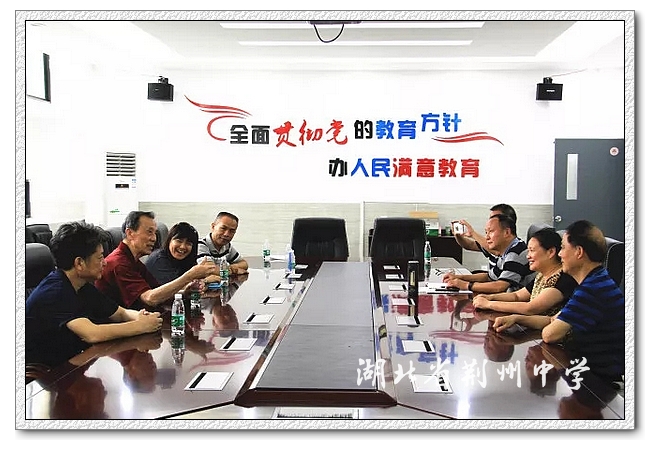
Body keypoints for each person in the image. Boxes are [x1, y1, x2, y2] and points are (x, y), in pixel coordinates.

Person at [493, 220, 624, 385]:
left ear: (578, 252)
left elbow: (550, 334)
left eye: (563, 248)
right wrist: (517, 318)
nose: (560, 254)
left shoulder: (591, 289)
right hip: (585, 369)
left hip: (596, 380)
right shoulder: (596, 280)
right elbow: (552, 320)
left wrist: (550, 323)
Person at [25, 221, 163, 369]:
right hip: (47, 373)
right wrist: (140, 326)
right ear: (79, 263)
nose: (104, 263)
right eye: (100, 257)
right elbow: (92, 334)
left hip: (73, 360)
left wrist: (142, 316)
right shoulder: (55, 291)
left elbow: (120, 313)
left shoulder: (81, 284)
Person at [96, 211, 218, 310]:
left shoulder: (134, 261)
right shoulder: (119, 263)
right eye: (149, 232)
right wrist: (190, 275)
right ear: (130, 233)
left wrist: (185, 293)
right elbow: (150, 298)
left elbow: (157, 292)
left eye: (155, 233)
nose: (154, 238)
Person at [472, 227, 577, 316]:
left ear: (551, 252)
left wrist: (489, 304)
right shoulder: (542, 275)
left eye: (532, 250)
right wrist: (490, 297)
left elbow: (530, 308)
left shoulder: (563, 278)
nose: (528, 256)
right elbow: (517, 296)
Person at [443, 214, 535, 294]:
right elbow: (490, 277)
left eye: (491, 231)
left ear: (507, 232)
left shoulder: (516, 252)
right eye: (486, 232)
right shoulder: (504, 250)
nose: (487, 237)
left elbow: (500, 286)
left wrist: (466, 285)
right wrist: (458, 278)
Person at [452, 203, 518, 271]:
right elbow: (470, 245)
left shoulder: (514, 250)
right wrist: (457, 235)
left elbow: (496, 252)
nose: (487, 237)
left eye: (495, 218)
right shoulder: (492, 242)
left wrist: (473, 234)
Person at [145, 221, 214, 285]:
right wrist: (203, 280)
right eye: (179, 241)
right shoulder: (158, 260)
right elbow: (173, 288)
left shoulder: (185, 259)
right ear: (169, 240)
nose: (183, 247)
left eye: (188, 243)